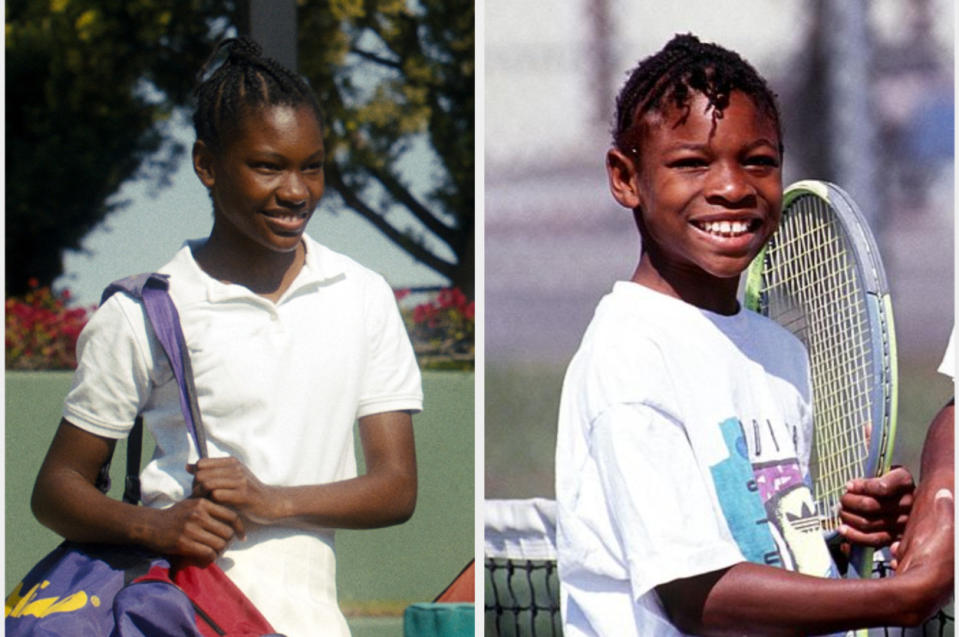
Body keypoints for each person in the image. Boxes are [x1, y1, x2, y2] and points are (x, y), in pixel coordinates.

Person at [554, 33, 953, 636]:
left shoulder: (778, 352)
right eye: (691, 163)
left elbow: (772, 550)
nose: (733, 188)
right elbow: (701, 600)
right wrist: (902, 596)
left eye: (759, 161)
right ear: (625, 177)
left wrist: (846, 539)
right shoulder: (628, 356)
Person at [30, 37, 422, 636]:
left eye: (311, 165)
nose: (296, 191)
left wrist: (273, 501)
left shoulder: (362, 294)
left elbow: (396, 488)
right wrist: (156, 528)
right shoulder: (144, 310)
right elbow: (56, 489)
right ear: (206, 165)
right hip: (178, 616)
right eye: (268, 166)